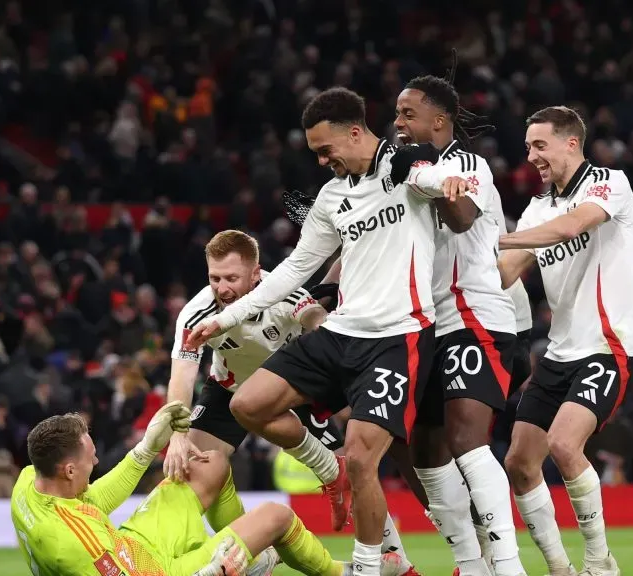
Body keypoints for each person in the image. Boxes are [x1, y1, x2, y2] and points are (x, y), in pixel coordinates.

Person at [185, 86, 473, 576]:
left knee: (364, 458)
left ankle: (368, 566)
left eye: (325, 149)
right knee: (247, 404)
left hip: (396, 337)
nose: (321, 160)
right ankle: (327, 467)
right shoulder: (332, 196)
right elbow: (295, 268)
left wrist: (449, 180)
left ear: (355, 132)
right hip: (341, 333)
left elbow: (434, 175)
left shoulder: (403, 167)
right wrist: (225, 318)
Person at [165, 228, 419, 574]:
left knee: (358, 471)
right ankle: (254, 554)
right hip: (229, 390)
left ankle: (401, 565)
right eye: (215, 278)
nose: (222, 288)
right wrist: (178, 435)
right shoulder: (198, 312)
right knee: (198, 467)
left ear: (256, 274)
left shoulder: (282, 294)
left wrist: (327, 330)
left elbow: (315, 317)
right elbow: (181, 376)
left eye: (231, 278)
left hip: (295, 387)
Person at [497, 106, 633, 576]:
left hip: (608, 344)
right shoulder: (537, 209)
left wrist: (498, 238)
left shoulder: (609, 183)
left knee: (564, 445)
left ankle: (601, 563)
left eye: (539, 145)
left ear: (571, 143)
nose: (531, 156)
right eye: (527, 147)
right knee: (519, 463)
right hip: (559, 353)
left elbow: (571, 226)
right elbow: (503, 275)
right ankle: (560, 569)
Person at [390, 75, 527, 576]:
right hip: (425, 325)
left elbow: (464, 215)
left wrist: (419, 168)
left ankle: (508, 566)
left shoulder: (467, 164)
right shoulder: (401, 174)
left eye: (408, 114)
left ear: (439, 121)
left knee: (468, 439)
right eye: (397, 114)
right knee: (423, 449)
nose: (398, 123)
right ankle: (472, 565)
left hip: (473, 316)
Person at [11, 402, 364, 576]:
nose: (97, 460)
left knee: (209, 466)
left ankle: (250, 557)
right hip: (155, 573)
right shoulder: (72, 544)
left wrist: (146, 447)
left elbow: (94, 501)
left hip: (133, 546)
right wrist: (211, 572)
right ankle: (341, 573)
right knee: (276, 516)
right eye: (91, 458)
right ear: (69, 469)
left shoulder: (31, 479)